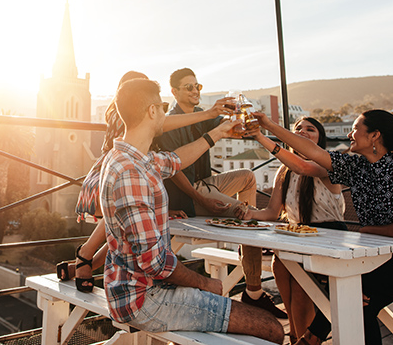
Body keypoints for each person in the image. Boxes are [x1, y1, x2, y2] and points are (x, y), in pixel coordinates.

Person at [99, 78, 284, 343]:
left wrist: (219, 132)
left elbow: (175, 160)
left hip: (130, 289)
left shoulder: (129, 158)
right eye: (162, 107)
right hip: (146, 300)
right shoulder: (131, 173)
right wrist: (205, 283)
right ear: (152, 111)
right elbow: (155, 263)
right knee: (272, 328)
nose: (165, 112)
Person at [251, 109, 393, 345]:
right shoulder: (357, 167)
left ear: (374, 136)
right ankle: (311, 338)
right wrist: (267, 126)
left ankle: (310, 338)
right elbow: (310, 155)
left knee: (352, 286)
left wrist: (368, 231)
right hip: (382, 265)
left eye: (356, 129)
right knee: (358, 301)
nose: (349, 134)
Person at [57, 71, 234, 291]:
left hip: (137, 168)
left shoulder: (141, 139)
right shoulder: (120, 114)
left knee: (122, 230)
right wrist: (208, 114)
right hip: (113, 171)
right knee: (120, 216)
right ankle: (84, 255)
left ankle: (87, 263)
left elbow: (171, 157)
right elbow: (166, 124)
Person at [155, 67, 286, 318]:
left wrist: (244, 120)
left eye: (198, 86)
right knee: (247, 216)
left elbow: (230, 127)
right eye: (189, 87)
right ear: (174, 91)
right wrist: (201, 199)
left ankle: (246, 240)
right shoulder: (172, 121)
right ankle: (254, 288)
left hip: (206, 183)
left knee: (247, 177)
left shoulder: (201, 115)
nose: (195, 91)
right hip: (189, 193)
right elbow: (173, 170)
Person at [242, 117, 345, 341]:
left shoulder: (329, 164)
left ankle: (304, 339)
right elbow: (271, 212)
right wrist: (248, 213)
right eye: (298, 129)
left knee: (301, 284)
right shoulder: (284, 170)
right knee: (279, 265)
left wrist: (261, 136)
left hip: (328, 237)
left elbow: (303, 166)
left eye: (310, 129)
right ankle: (296, 336)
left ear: (320, 138)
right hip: (297, 235)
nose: (303, 132)